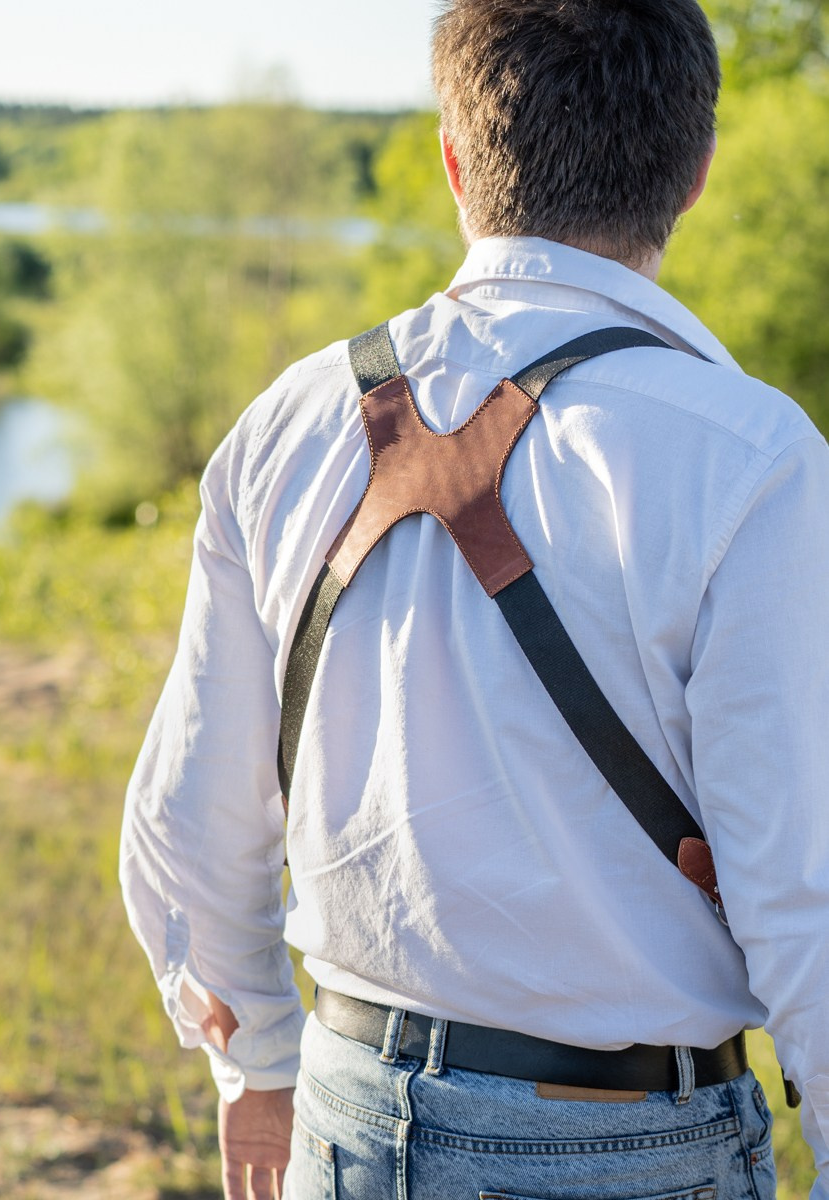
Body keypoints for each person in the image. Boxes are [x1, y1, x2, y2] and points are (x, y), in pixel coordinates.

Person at [120, 1, 829, 1197]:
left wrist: (258, 1068)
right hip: (636, 1152)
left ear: (456, 158)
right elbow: (803, 881)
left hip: (341, 1127)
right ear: (697, 170)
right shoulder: (750, 458)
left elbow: (188, 818)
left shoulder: (286, 423)